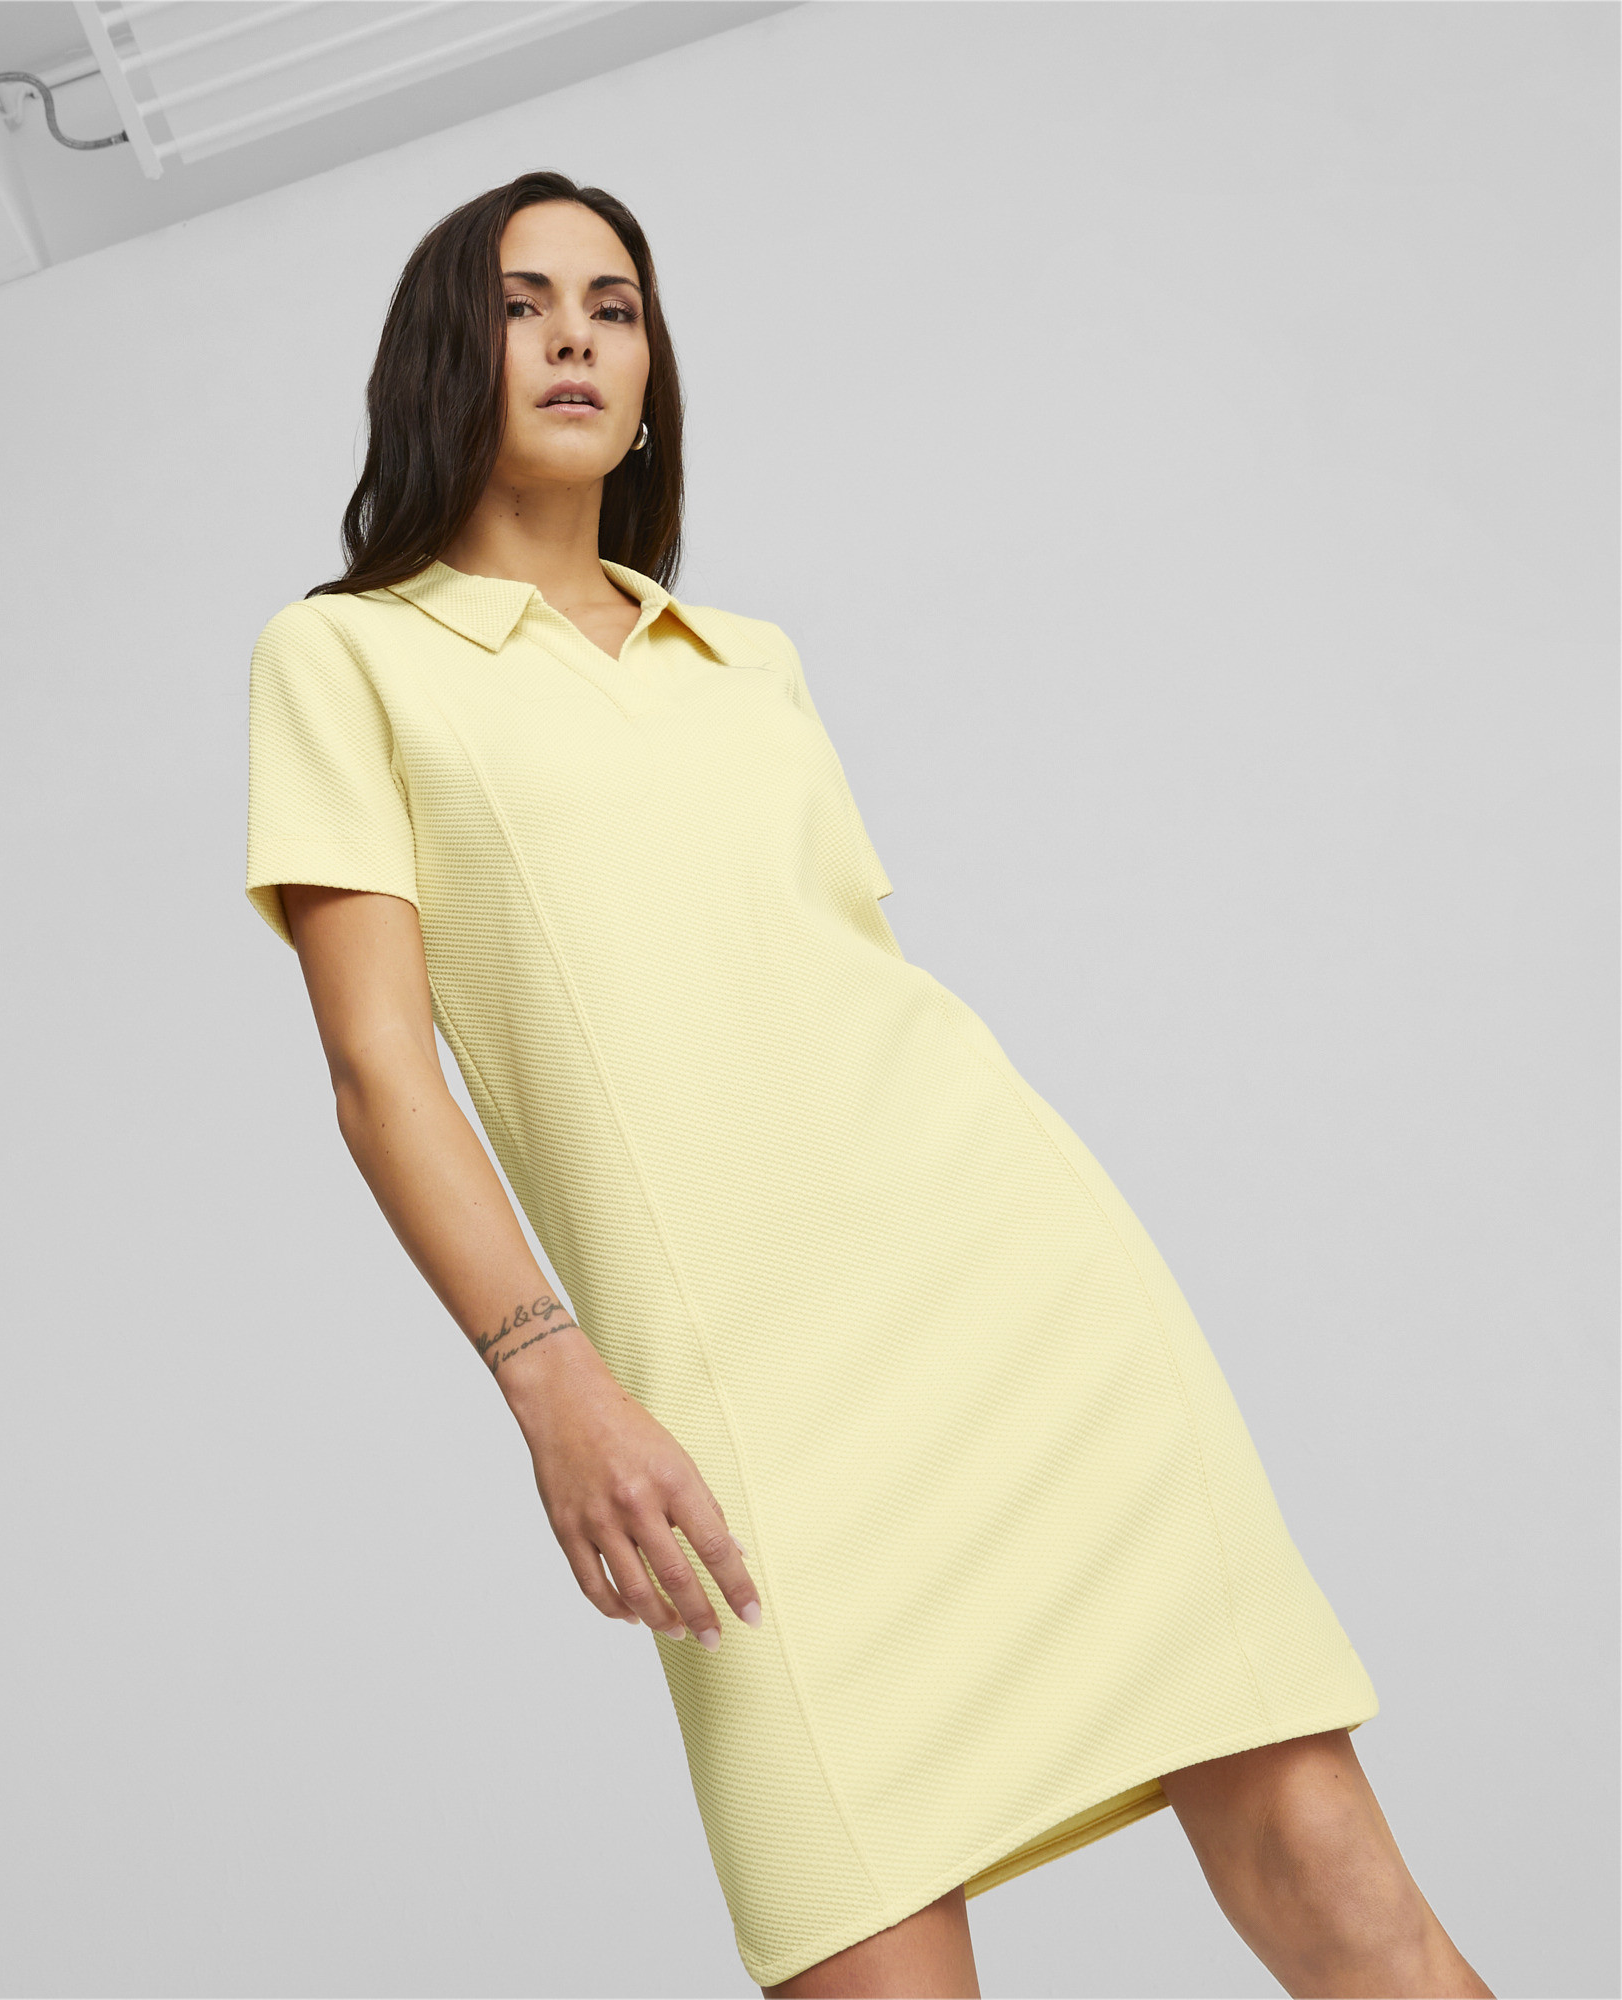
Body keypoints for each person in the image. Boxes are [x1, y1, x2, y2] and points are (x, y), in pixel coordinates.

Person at [243, 169, 1492, 2000]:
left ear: (650, 372)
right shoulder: (345, 655)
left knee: (1327, 1866)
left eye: (614, 305)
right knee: (859, 1929)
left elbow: (832, 981)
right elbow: (377, 1073)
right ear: (447, 351)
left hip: (1014, 1293)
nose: (576, 337)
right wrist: (549, 1375)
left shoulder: (750, 664)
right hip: (732, 1392)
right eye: (522, 303)